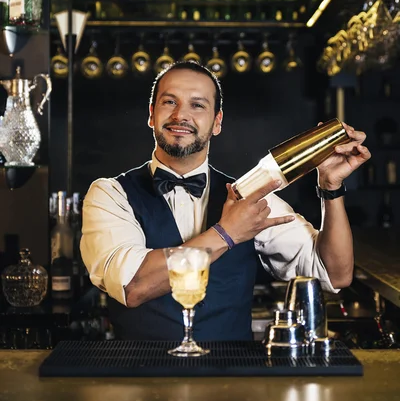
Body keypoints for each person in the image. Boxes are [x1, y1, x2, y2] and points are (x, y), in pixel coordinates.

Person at [81, 60, 370, 341]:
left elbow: (335, 273)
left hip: (231, 377)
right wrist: (227, 233)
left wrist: (330, 188)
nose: (181, 115)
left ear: (217, 122)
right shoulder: (110, 194)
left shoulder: (250, 194)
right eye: (170, 102)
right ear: (151, 114)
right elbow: (134, 285)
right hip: (139, 376)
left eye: (197, 105)